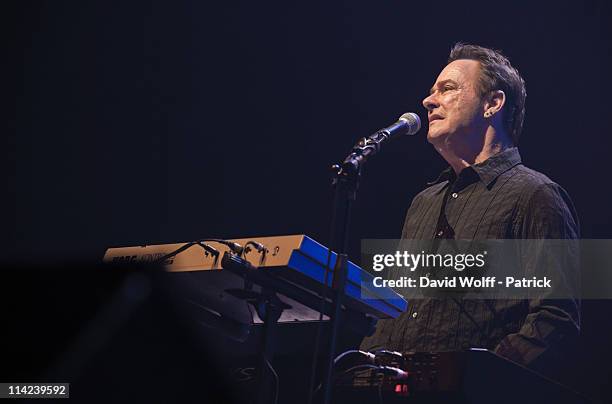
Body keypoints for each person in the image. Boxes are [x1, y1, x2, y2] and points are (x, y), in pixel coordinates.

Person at [360, 43, 580, 375]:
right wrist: (363, 367)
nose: (428, 100)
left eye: (447, 89)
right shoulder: (424, 202)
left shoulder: (536, 195)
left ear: (493, 103)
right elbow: (395, 310)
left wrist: (478, 377)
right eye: (432, 91)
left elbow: (555, 318)